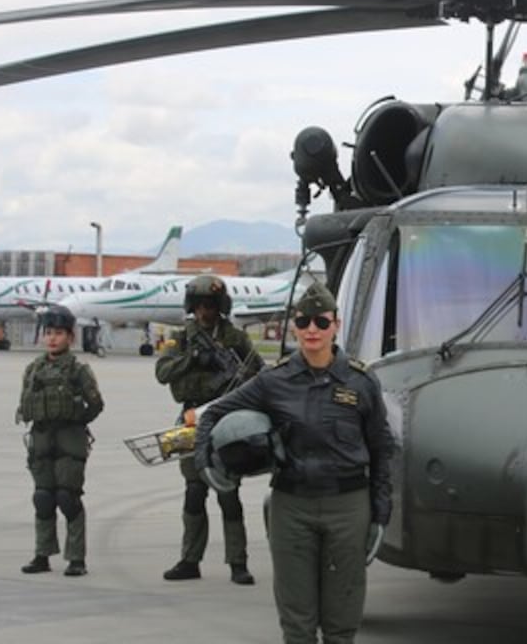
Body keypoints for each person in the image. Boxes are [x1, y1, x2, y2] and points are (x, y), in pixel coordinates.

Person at [195, 282, 395, 644]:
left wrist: (381, 513)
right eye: (304, 322)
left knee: (341, 621)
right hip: (292, 507)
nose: (312, 330)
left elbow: (382, 450)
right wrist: (205, 462)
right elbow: (211, 415)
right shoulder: (274, 381)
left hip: (347, 507)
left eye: (321, 322)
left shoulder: (361, 382)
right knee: (296, 623)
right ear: (295, 327)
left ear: (336, 324)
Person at [155, 274, 262, 584]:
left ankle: (238, 562)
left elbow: (259, 373)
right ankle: (190, 559)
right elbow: (163, 372)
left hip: (227, 419)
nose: (205, 312)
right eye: (200, 305)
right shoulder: (182, 337)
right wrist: (192, 359)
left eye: (211, 305)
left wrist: (239, 380)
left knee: (228, 491)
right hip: (192, 417)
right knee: (194, 491)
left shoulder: (235, 338)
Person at [17, 305, 104, 577]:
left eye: (59, 333)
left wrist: (76, 420)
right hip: (41, 437)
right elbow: (25, 402)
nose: (52, 338)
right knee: (43, 498)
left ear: (70, 338)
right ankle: (42, 554)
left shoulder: (78, 370)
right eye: (49, 333)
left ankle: (76, 558)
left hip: (70, 437)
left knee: (68, 498)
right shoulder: (33, 369)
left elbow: (96, 404)